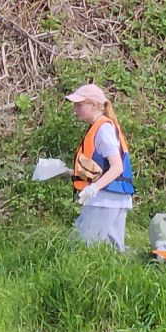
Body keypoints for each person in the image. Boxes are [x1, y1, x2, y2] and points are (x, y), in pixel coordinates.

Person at [67, 83, 134, 251]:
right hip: (111, 197)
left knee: (83, 248)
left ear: (95, 105)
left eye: (80, 105)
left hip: (106, 199)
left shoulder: (103, 129)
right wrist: (68, 173)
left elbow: (117, 167)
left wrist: (93, 188)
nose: (75, 109)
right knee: (114, 251)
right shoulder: (99, 127)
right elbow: (97, 168)